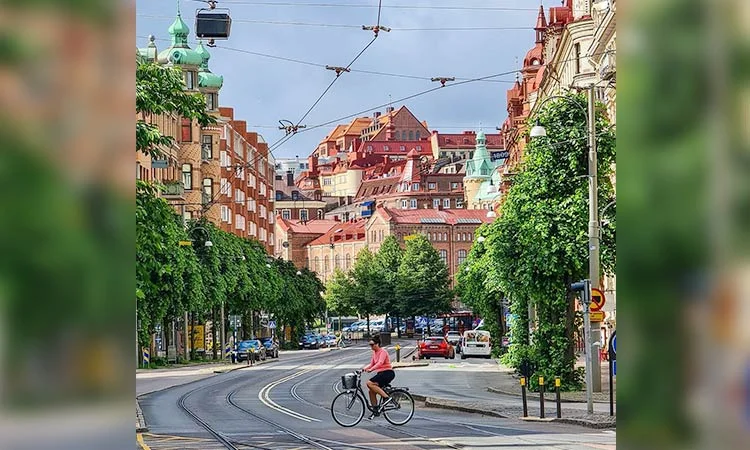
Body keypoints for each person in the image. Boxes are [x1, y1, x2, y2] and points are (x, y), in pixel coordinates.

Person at [362, 335, 395, 419]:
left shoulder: (383, 352)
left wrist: (371, 370)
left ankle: (387, 398)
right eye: (370, 345)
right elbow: (372, 364)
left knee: (369, 383)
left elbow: (380, 363)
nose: (371, 347)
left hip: (387, 373)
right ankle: (375, 410)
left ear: (377, 344)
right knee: (371, 391)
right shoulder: (374, 353)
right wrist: (363, 369)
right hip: (381, 373)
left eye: (372, 345)